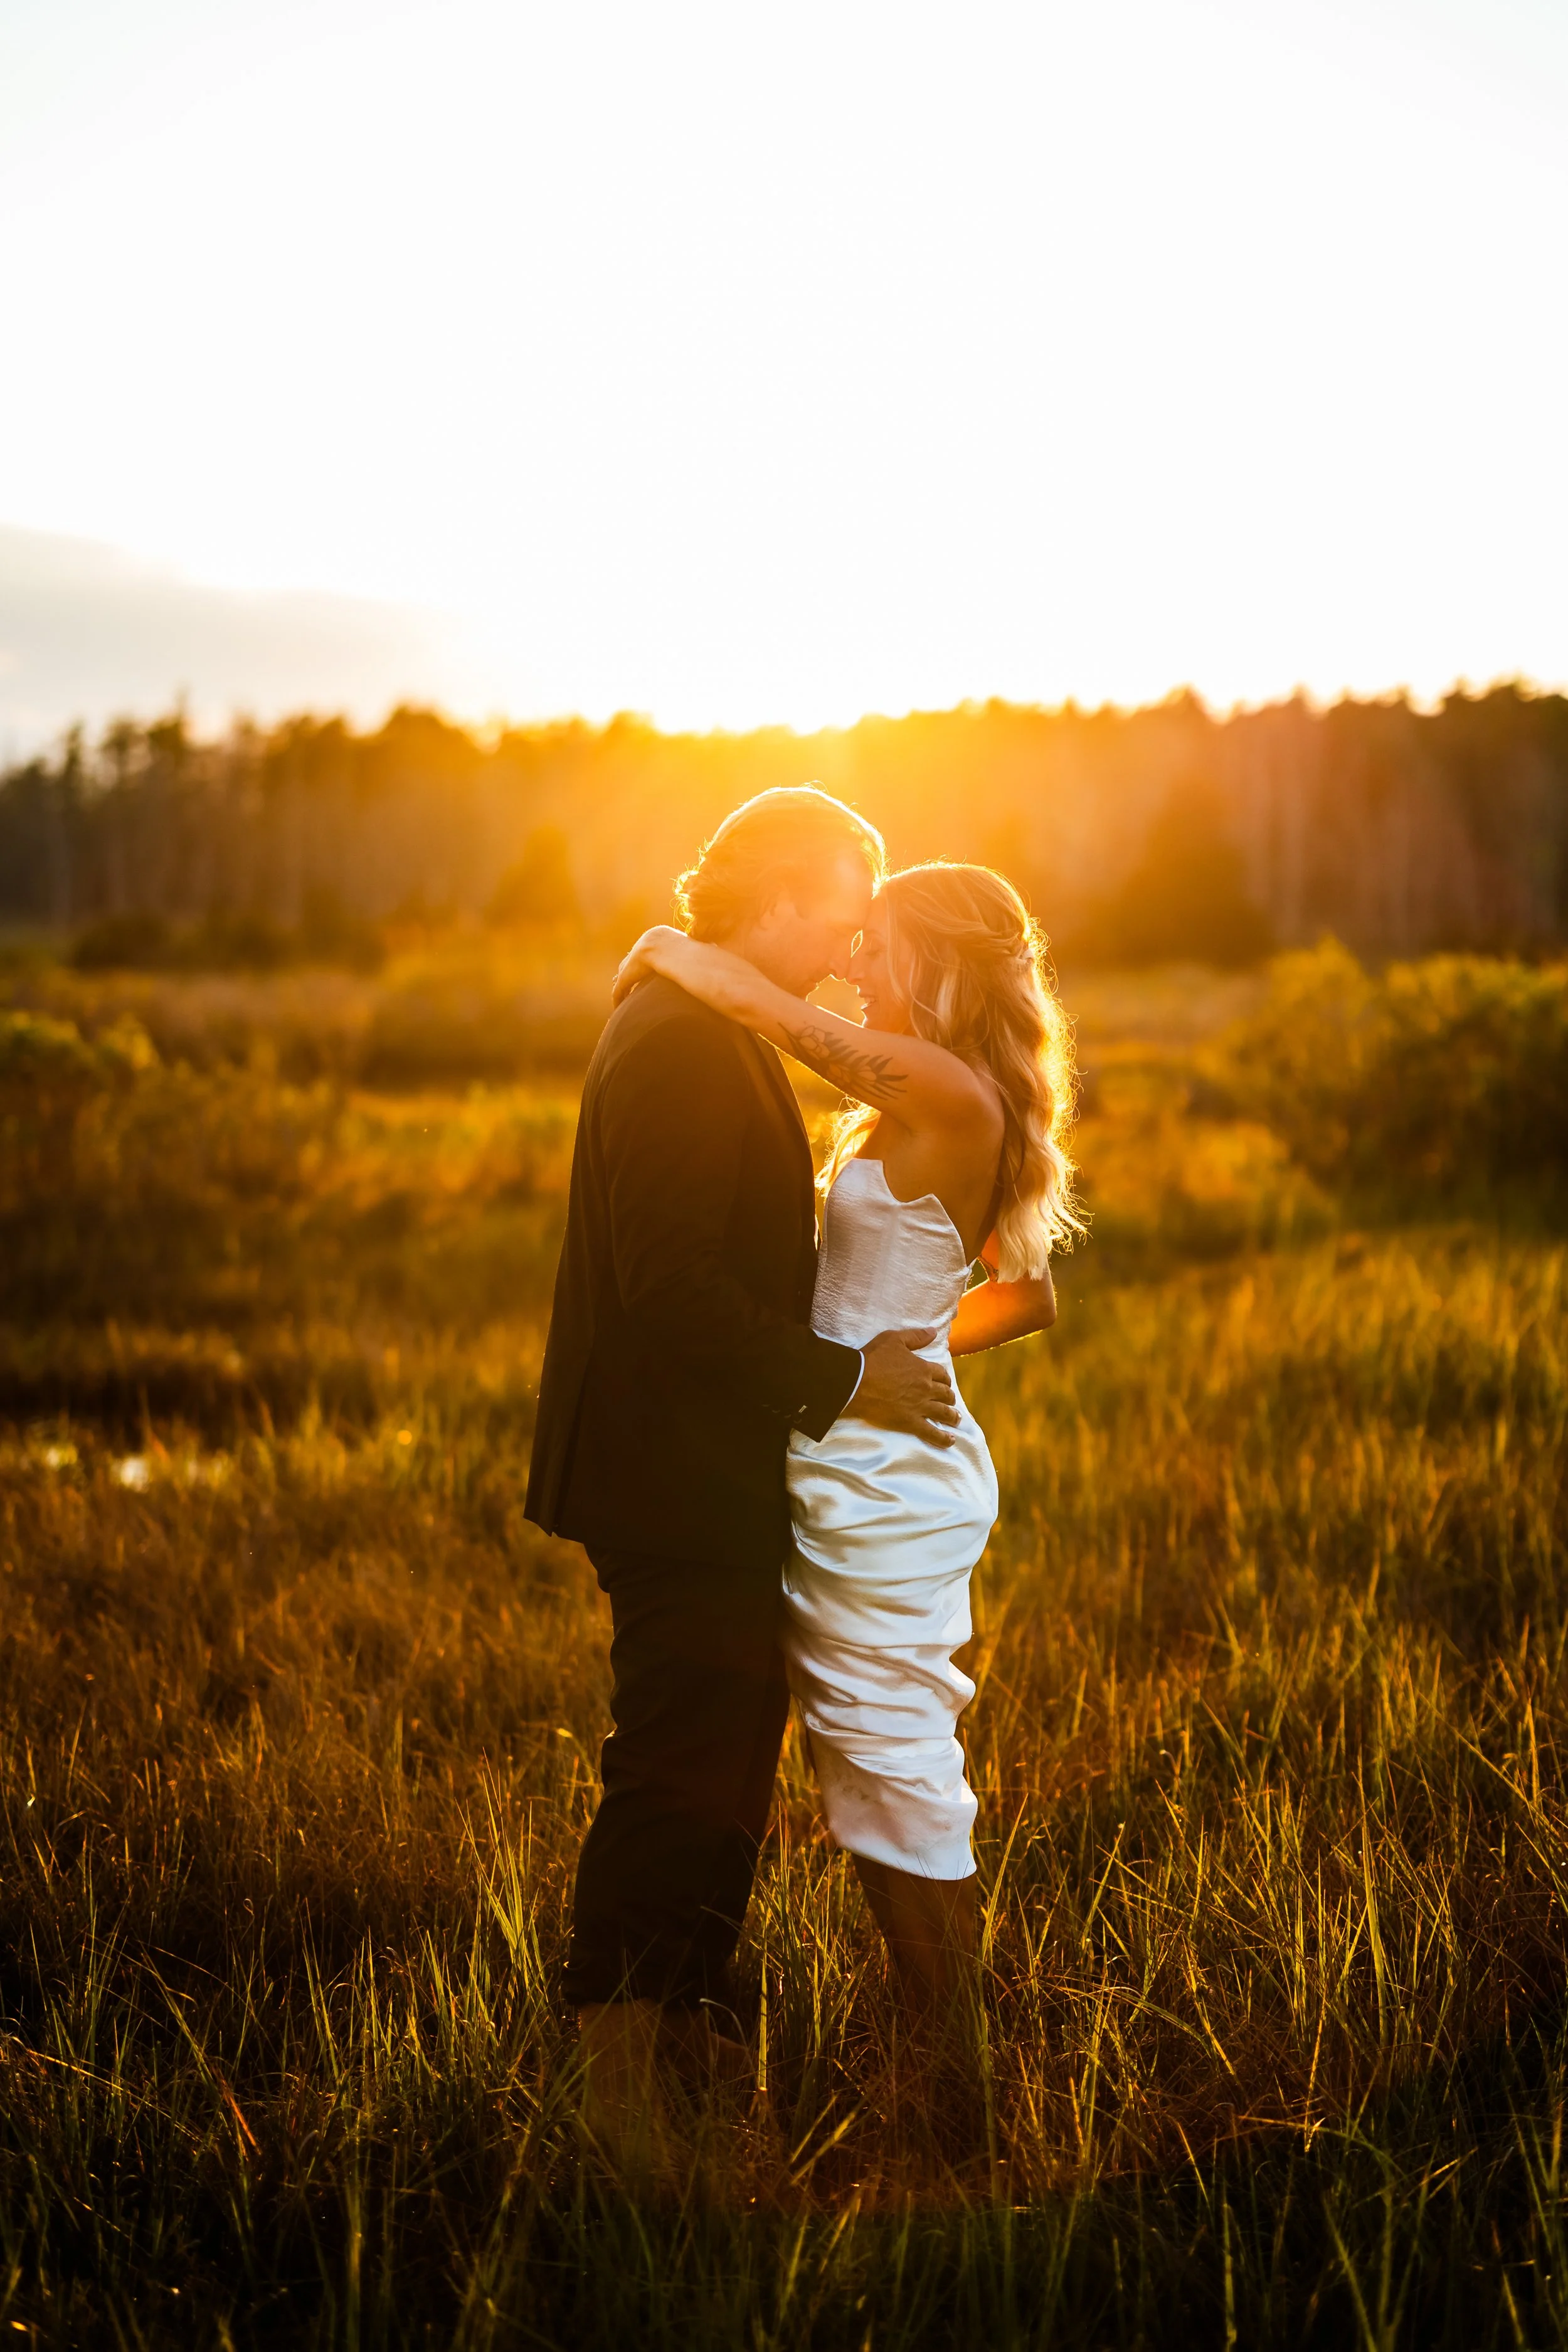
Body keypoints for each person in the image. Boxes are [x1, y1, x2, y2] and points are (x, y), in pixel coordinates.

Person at [524, 787, 961, 2137]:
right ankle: (612, 2092)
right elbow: (666, 1289)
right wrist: (845, 1380)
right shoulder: (672, 1041)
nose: (847, 936)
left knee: (719, 1766)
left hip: (708, 1472)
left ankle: (685, 2046)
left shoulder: (705, 1020)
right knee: (673, 1772)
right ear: (768, 896)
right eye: (837, 901)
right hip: (669, 1478)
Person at [612, 858, 1081, 2049]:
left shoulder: (940, 1083)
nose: (850, 961)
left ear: (929, 960)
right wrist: (901, 1349)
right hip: (857, 1445)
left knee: (887, 1759)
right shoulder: (930, 1096)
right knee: (866, 1759)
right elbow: (1025, 1301)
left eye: (875, 944)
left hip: (883, 1483)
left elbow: (769, 1010)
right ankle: (942, 2039)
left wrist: (665, 953)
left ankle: (956, 2058)